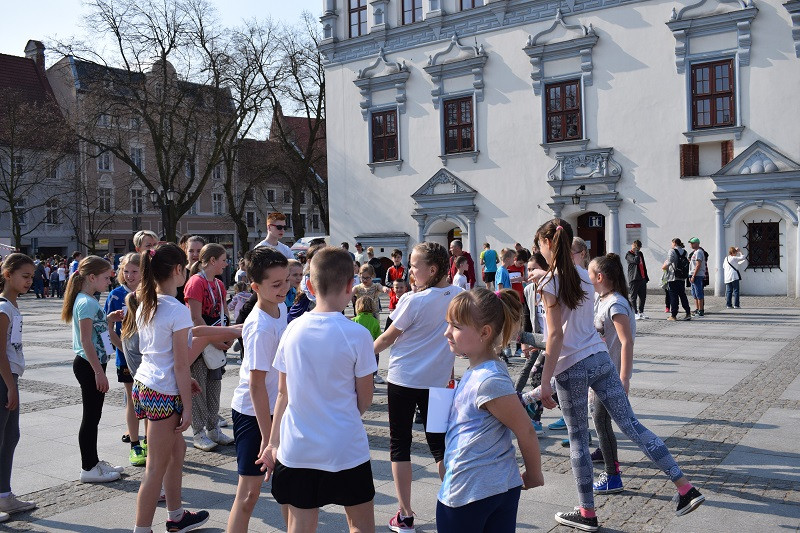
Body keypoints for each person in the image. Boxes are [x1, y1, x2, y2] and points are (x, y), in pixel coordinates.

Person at [535, 219, 704, 531]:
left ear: (547, 244)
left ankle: (587, 512)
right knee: (632, 425)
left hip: (571, 366)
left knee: (577, 439)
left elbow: (556, 336)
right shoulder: (585, 279)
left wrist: (545, 380)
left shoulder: (549, 283)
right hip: (599, 358)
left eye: (539, 245)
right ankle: (684, 487)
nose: (539, 250)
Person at [258, 247, 377, 533]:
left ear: (309, 286)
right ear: (351, 286)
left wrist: (272, 443)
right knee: (360, 525)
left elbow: (282, 394)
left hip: (299, 448)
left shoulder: (292, 329)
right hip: (346, 445)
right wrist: (342, 412)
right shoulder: (358, 334)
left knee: (300, 526)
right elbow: (366, 398)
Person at [126, 243, 240, 533]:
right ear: (178, 270)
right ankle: (142, 528)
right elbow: (179, 364)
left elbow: (164, 351)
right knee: (155, 467)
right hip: (163, 391)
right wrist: (188, 406)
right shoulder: (174, 308)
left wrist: (232, 330)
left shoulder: (147, 302)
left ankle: (176, 516)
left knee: (177, 454)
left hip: (148, 384)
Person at [373, 242, 463, 532]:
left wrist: (360, 358)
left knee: (400, 445)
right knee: (440, 447)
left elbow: (387, 338)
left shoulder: (413, 301)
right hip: (438, 382)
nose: (409, 271)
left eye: (414, 266)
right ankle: (457, 505)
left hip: (403, 380)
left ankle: (406, 514)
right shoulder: (459, 296)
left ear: (432, 269)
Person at [437, 288, 544, 531]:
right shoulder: (481, 372)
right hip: (493, 486)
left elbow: (525, 429)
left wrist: (534, 474)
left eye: (455, 326)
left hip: (471, 491)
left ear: (484, 332)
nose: (447, 332)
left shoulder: (489, 379)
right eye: (447, 324)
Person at [227, 247, 289, 533]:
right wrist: (268, 438)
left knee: (289, 492)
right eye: (276, 284)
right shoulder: (260, 325)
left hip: (278, 410)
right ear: (255, 286)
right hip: (254, 416)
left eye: (287, 280)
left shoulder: (282, 308)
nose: (284, 288)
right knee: (249, 495)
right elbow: (255, 385)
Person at [61, 256, 125, 483]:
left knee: (94, 416)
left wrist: (107, 319)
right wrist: (99, 372)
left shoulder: (87, 300)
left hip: (92, 363)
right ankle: (88, 467)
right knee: (90, 417)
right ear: (91, 277)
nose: (110, 282)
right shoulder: (86, 302)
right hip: (89, 365)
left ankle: (94, 462)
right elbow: (87, 341)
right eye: (106, 278)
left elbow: (97, 334)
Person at [587, 254, 636, 495]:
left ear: (599, 277)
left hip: (611, 374)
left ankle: (613, 474)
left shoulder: (615, 304)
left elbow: (626, 342)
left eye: (589, 274)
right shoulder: (601, 298)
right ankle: (603, 451)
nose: (587, 278)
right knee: (600, 419)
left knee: (601, 420)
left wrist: (624, 378)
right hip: (600, 371)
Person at [184, 243, 234, 451]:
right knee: (199, 388)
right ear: (212, 261)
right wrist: (214, 338)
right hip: (200, 342)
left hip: (216, 339)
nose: (226, 264)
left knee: (215, 385)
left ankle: (213, 427)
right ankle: (198, 432)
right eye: (223, 259)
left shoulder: (219, 284)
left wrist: (228, 333)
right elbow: (195, 317)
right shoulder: (196, 282)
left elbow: (224, 312)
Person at [0, 254, 36, 518]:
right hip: (3, 380)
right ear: (7, 275)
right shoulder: (3, 309)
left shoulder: (11, 306)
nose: (29, 281)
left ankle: (4, 495)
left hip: (9, 378)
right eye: (24, 276)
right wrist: (10, 385)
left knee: (10, 437)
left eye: (31, 277)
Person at [104, 252, 146, 466]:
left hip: (148, 357)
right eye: (126, 271)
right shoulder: (116, 295)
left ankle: (149, 440)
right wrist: (123, 350)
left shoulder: (149, 293)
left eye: (135, 271)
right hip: (125, 357)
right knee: (132, 398)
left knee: (149, 399)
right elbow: (107, 326)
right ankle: (135, 443)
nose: (130, 275)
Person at [352, 296, 384, 386]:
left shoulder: (355, 320)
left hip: (357, 348)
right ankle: (371, 382)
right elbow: (378, 336)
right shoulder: (375, 321)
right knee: (371, 368)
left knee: (357, 368)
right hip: (371, 348)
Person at [663, 238, 692, 321]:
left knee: (673, 296)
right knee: (683, 295)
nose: (671, 244)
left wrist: (664, 266)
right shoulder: (685, 252)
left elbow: (670, 261)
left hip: (673, 277)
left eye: (672, 243)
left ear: (674, 243)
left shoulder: (672, 251)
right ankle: (688, 312)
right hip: (682, 277)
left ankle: (673, 315)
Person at [176, 235, 207, 304]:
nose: (195, 254)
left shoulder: (211, 274)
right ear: (186, 252)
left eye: (199, 251)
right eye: (191, 251)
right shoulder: (179, 274)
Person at [625, 240, 649, 319]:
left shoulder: (640, 253)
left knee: (643, 296)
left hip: (642, 278)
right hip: (634, 278)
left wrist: (645, 276)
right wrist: (636, 252)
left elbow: (643, 265)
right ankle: (634, 313)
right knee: (633, 296)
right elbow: (636, 261)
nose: (638, 249)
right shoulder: (628, 254)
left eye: (639, 248)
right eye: (637, 247)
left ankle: (641, 312)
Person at [687, 237, 706, 317]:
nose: (691, 245)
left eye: (692, 243)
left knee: (698, 293)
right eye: (690, 243)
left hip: (697, 275)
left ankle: (701, 310)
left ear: (697, 244)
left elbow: (698, 265)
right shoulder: (695, 252)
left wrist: (694, 275)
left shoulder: (699, 252)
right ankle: (697, 309)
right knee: (694, 293)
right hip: (693, 274)